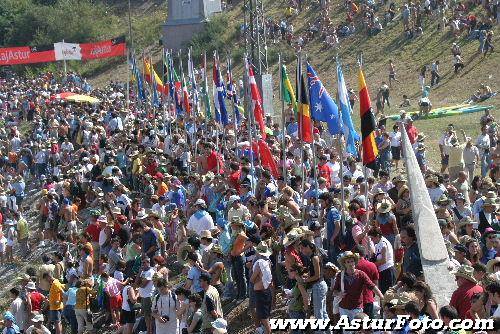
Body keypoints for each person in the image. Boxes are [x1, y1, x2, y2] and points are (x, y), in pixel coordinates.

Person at [333, 251, 383, 321]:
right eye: (348, 262)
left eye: (352, 261)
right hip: (344, 308)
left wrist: (382, 297)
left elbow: (372, 286)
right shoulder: (340, 275)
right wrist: (339, 294)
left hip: (357, 308)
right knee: (346, 331)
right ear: (344, 264)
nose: (351, 264)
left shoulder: (361, 274)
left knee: (358, 329)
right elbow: (334, 292)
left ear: (355, 262)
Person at [250, 242, 273, 334]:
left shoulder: (259, 263)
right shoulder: (268, 262)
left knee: (264, 318)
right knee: (266, 316)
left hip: (260, 292)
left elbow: (252, 279)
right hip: (267, 291)